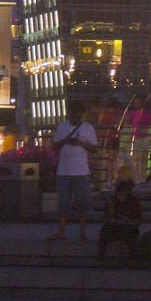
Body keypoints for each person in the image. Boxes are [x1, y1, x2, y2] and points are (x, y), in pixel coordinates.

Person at [47, 100, 99, 243]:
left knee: (83, 203)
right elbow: (55, 146)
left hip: (81, 170)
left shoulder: (88, 128)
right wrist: (66, 140)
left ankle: (82, 233)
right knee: (63, 203)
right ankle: (61, 232)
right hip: (64, 171)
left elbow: (95, 148)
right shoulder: (62, 127)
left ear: (81, 114)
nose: (74, 117)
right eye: (73, 114)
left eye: (77, 114)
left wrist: (81, 143)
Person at [98, 178, 144, 263]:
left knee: (129, 232)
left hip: (129, 228)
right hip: (115, 227)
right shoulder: (112, 201)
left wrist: (130, 220)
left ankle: (133, 258)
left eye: (123, 195)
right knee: (104, 231)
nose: (121, 198)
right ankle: (100, 258)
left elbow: (139, 220)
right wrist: (111, 210)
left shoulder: (134, 202)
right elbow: (105, 220)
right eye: (119, 195)